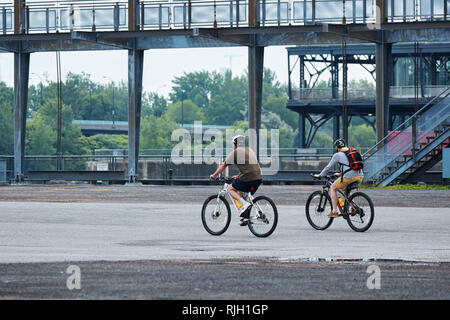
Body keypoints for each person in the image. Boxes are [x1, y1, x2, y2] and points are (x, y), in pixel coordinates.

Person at [210, 135, 263, 226]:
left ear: (235, 144)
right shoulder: (249, 150)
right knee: (242, 194)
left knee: (230, 189)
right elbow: (248, 167)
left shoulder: (235, 152)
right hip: (258, 178)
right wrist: (238, 176)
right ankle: (245, 218)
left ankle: (245, 205)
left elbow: (223, 165)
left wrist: (214, 175)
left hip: (248, 178)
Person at [314, 138, 364, 218]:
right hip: (360, 176)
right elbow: (350, 166)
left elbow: (328, 167)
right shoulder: (350, 152)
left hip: (349, 177)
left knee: (333, 187)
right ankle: (354, 208)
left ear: (337, 148)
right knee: (344, 189)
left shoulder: (337, 155)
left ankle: (334, 211)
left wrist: (320, 175)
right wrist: (341, 174)